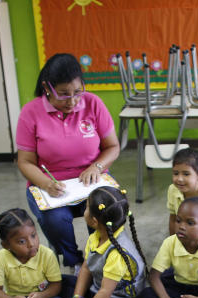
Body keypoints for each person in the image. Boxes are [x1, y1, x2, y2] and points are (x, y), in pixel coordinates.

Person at [14, 53, 120, 270]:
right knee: (54, 218)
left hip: (91, 181)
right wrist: (45, 183)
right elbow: (25, 162)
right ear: (47, 88)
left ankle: (101, 257)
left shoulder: (93, 104)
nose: (72, 102)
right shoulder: (31, 112)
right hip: (52, 185)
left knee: (106, 208)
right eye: (63, 94)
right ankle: (74, 261)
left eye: (77, 93)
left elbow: (113, 147)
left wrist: (96, 166)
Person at [43, 187, 146, 298]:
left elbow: (106, 293)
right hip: (99, 289)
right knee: (62, 282)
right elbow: (86, 267)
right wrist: (77, 297)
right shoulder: (98, 235)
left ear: (94, 220)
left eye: (86, 208)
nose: (84, 211)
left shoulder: (118, 253)